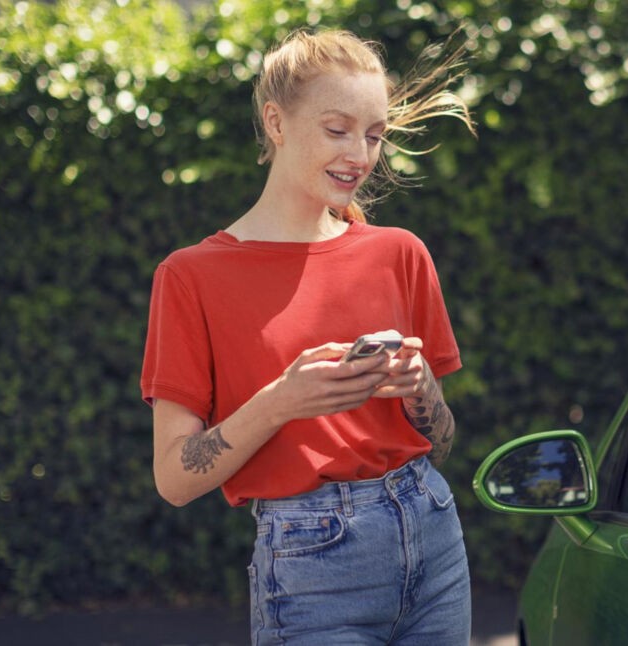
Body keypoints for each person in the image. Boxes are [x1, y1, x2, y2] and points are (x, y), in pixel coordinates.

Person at [139, 29, 476, 644]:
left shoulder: (400, 253)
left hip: (432, 531)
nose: (361, 154)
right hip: (311, 564)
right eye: (338, 129)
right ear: (276, 121)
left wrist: (420, 387)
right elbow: (175, 478)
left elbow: (443, 439)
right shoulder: (190, 276)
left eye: (374, 134)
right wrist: (280, 402)